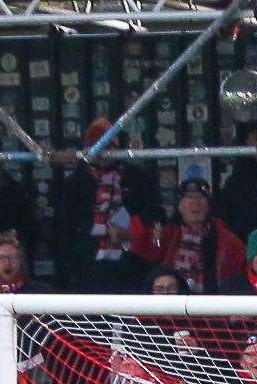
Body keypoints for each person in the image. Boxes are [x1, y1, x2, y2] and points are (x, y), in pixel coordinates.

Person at [54, 119, 159, 293]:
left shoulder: (137, 178)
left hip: (131, 267)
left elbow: (154, 218)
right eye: (97, 146)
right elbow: (64, 231)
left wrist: (132, 233)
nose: (103, 152)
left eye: (108, 146)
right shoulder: (75, 183)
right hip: (87, 269)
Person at [129, 178, 245, 293]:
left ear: (209, 206)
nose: (195, 203)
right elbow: (140, 249)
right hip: (172, 303)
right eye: (189, 197)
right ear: (180, 206)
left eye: (201, 198)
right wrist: (144, 222)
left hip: (211, 305)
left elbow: (241, 274)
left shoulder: (229, 241)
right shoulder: (166, 234)